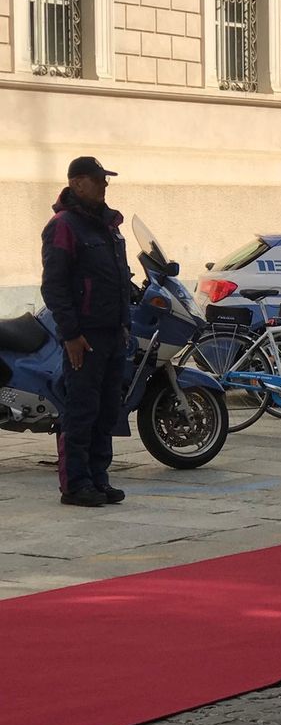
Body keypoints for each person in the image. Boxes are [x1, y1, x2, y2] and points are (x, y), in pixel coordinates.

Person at [41, 157, 131, 507]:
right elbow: (55, 286)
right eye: (97, 179)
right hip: (85, 336)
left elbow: (119, 278)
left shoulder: (108, 225)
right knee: (81, 411)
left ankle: (98, 478)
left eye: (105, 179)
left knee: (107, 411)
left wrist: (124, 325)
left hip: (112, 333)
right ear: (77, 183)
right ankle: (76, 484)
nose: (104, 185)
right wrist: (71, 335)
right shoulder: (63, 226)